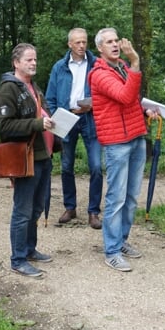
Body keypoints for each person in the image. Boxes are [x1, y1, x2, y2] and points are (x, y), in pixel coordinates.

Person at [89, 28, 159, 272]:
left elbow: (131, 101)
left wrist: (145, 110)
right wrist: (136, 61)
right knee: (116, 198)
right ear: (100, 48)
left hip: (136, 136)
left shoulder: (121, 68)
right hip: (117, 142)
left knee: (131, 197)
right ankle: (111, 251)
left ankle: (122, 240)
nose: (115, 45)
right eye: (109, 42)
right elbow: (124, 95)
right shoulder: (98, 74)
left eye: (116, 40)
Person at [0, 43, 56, 278]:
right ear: (16, 63)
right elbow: (5, 127)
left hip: (43, 155)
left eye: (35, 60)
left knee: (37, 207)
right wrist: (37, 124)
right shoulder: (8, 89)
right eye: (29, 60)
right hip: (25, 158)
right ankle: (18, 259)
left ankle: (29, 249)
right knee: (23, 210)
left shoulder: (33, 87)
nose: (33, 63)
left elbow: (43, 114)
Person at [45, 28, 103, 229]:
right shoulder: (59, 67)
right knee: (67, 166)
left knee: (96, 166)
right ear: (69, 44)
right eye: (77, 42)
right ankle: (70, 207)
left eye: (84, 42)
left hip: (90, 118)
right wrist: (56, 116)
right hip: (67, 118)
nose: (81, 46)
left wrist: (95, 104)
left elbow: (105, 91)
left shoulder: (96, 64)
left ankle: (93, 211)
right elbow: (50, 96)